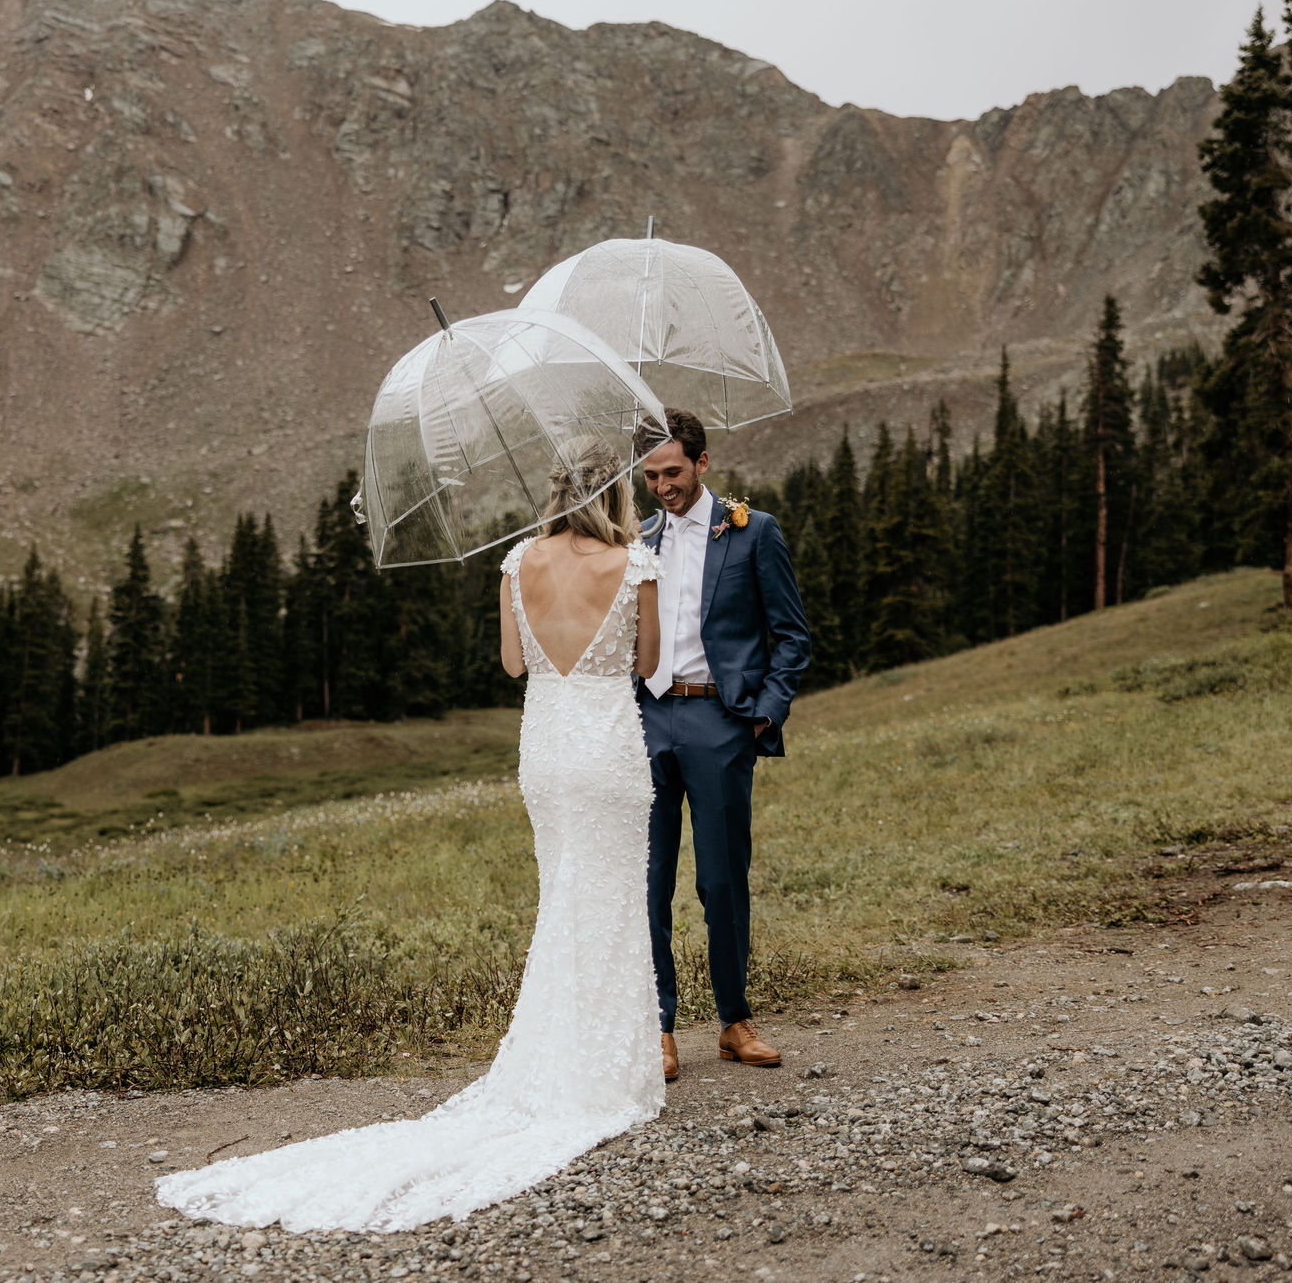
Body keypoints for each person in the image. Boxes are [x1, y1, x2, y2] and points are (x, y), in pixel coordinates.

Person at [156, 440, 664, 1232]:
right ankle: (604, 1073)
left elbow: (510, 666)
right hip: (608, 744)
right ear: (617, 493)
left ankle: (556, 1067)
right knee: (605, 899)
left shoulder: (517, 564)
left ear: (558, 490)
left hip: (548, 747)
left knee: (562, 896)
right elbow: (649, 660)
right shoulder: (633, 566)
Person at [634, 409, 811, 1078]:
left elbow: (792, 636)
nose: (663, 485)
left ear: (702, 463)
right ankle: (658, 1028)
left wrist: (762, 716)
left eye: (673, 471)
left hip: (721, 723)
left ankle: (735, 1021)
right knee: (648, 881)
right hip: (649, 720)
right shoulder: (640, 540)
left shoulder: (752, 529)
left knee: (721, 880)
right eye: (651, 475)